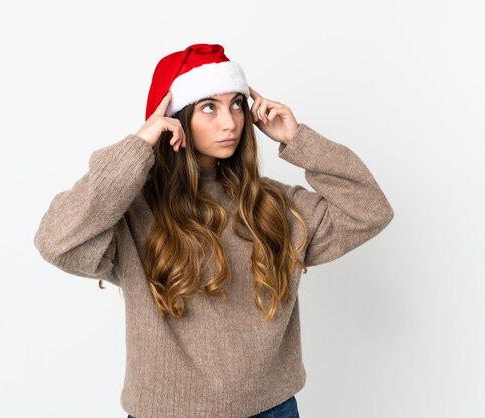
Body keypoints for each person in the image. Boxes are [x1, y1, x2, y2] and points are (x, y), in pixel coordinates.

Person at [33, 43, 394, 418]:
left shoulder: (272, 204)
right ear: (175, 117)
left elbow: (370, 210)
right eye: (210, 107)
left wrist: (297, 139)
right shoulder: (134, 211)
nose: (231, 122)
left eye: (237, 104)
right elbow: (56, 240)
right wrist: (139, 145)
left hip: (271, 410)